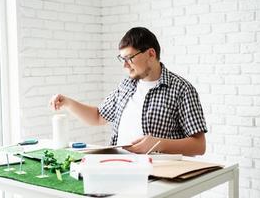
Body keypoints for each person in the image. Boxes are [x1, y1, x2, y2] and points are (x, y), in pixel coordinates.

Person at [49, 27, 207, 155]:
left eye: (129, 58)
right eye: (122, 59)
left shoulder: (182, 89)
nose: (125, 65)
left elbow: (199, 146)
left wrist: (158, 144)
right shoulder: (126, 85)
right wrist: (68, 102)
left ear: (151, 54)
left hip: (158, 174)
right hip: (118, 166)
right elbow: (97, 117)